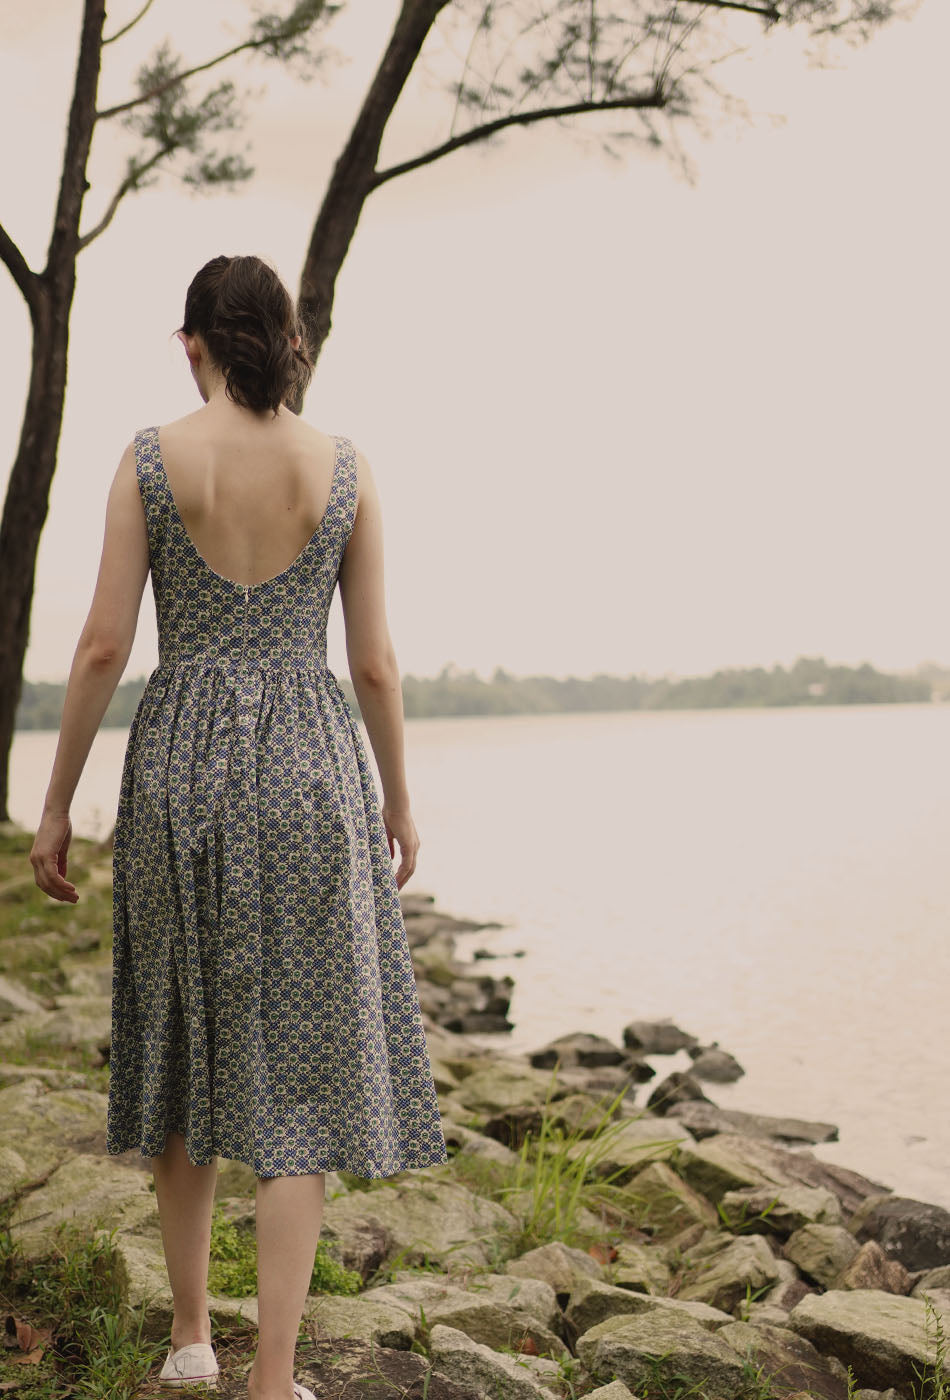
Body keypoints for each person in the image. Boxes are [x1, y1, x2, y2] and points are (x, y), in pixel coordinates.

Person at [29, 253, 449, 1400]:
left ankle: (189, 1337)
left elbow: (105, 645)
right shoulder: (345, 467)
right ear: (289, 341)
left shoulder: (152, 457)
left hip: (180, 767)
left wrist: (57, 799)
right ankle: (271, 1376)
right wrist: (397, 797)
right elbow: (371, 660)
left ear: (191, 342)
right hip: (312, 768)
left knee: (179, 1042)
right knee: (300, 1074)